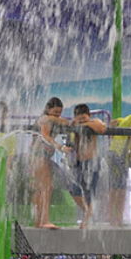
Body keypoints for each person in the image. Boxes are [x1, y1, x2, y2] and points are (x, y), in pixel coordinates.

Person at [30, 97, 69, 229]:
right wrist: (61, 147)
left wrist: (56, 119)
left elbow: (66, 122)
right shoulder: (45, 119)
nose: (58, 115)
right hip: (39, 154)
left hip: (40, 155)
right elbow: (45, 136)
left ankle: (38, 221)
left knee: (42, 188)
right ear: (48, 109)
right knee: (45, 188)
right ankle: (44, 220)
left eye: (60, 112)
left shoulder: (49, 119)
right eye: (55, 111)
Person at [67, 103, 106, 226]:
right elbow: (69, 132)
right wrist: (74, 124)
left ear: (89, 115)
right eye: (79, 118)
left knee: (89, 191)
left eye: (84, 117)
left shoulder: (94, 122)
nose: (82, 120)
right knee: (73, 188)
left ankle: (87, 217)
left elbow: (102, 128)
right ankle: (88, 212)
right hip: (78, 163)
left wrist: (85, 124)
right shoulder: (74, 126)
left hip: (92, 162)